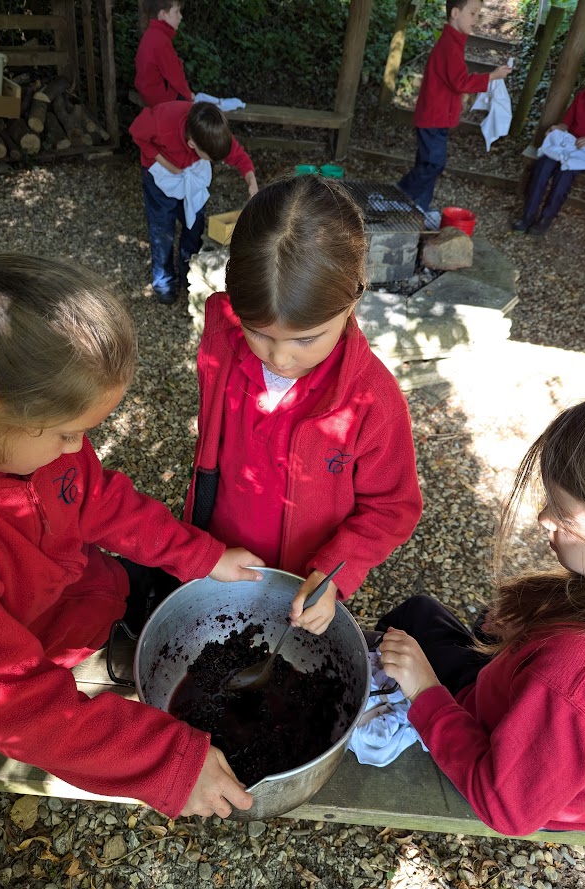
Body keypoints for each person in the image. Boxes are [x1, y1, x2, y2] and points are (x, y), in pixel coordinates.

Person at [0, 246, 267, 820]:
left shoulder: (25, 443)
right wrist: (167, 762)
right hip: (46, 647)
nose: (77, 450)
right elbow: (13, 703)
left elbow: (99, 498)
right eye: (67, 434)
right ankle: (111, 664)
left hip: (90, 586)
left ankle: (126, 632)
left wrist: (203, 557)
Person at [183, 176, 423, 636]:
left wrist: (335, 571)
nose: (280, 357)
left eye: (306, 339)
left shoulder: (372, 401)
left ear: (355, 297)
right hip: (222, 557)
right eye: (259, 332)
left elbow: (392, 506)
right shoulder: (221, 341)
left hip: (303, 581)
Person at [379, 394, 585, 836]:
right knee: (472, 619)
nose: (542, 519)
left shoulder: (568, 677)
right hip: (544, 735)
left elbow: (506, 809)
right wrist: (530, 626)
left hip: (497, 751)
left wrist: (425, 691)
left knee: (415, 616)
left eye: (560, 509)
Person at [130, 100, 258, 305]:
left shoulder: (211, 130)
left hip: (190, 174)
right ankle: (164, 282)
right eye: (210, 157)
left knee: (194, 225)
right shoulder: (162, 122)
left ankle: (190, 271)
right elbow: (137, 133)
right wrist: (166, 163)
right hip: (161, 174)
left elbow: (239, 157)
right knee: (162, 230)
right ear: (192, 145)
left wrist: (252, 184)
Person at [398, 0, 512, 211]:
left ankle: (419, 207)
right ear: (455, 13)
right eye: (473, 13)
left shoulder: (454, 43)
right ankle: (399, 198)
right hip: (433, 118)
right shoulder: (450, 46)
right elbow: (461, 82)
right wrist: (492, 76)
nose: (476, 20)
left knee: (426, 164)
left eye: (478, 15)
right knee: (434, 164)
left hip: (436, 117)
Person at [512, 51, 585, 236]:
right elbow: (566, 123)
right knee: (542, 166)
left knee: (564, 174)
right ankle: (527, 215)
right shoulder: (581, 97)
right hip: (569, 143)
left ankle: (545, 219)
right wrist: (557, 128)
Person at [134, 0, 193, 109]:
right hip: (159, 98)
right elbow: (175, 75)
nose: (180, 17)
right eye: (176, 12)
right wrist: (189, 95)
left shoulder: (151, 33)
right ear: (162, 15)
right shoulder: (160, 40)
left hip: (147, 92)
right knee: (195, 110)